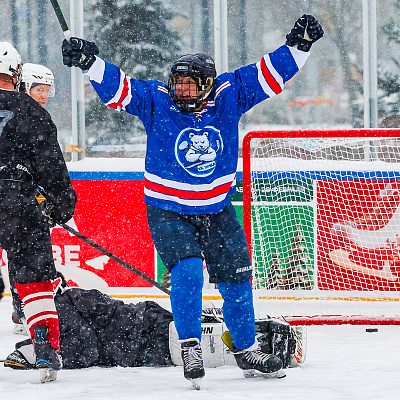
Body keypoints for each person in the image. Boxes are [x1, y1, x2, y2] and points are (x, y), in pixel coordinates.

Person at [61, 14, 323, 388]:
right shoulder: (157, 99)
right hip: (168, 209)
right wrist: (90, 62)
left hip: (216, 209)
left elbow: (270, 73)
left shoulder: (230, 93)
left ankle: (246, 350)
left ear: (208, 85)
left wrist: (300, 46)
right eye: (178, 85)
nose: (182, 92)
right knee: (187, 273)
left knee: (237, 280)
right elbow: (120, 87)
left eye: (190, 86)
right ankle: (190, 346)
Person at [4, 276, 300, 371]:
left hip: (143, 328)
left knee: (198, 334)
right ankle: (265, 345)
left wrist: (56, 353)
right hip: (137, 347)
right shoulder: (48, 328)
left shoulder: (65, 301)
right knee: (196, 346)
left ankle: (265, 339)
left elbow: (86, 350)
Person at [0, 42, 77, 383]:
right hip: (18, 198)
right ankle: (45, 347)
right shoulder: (30, 110)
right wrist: (61, 206)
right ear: (16, 75)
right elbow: (52, 166)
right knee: (35, 280)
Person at [9, 62, 57, 336]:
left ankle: (22, 303)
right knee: (22, 250)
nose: (43, 95)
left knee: (22, 253)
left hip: (23, 196)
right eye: (38, 89)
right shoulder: (21, 116)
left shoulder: (38, 117)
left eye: (47, 90)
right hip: (14, 197)